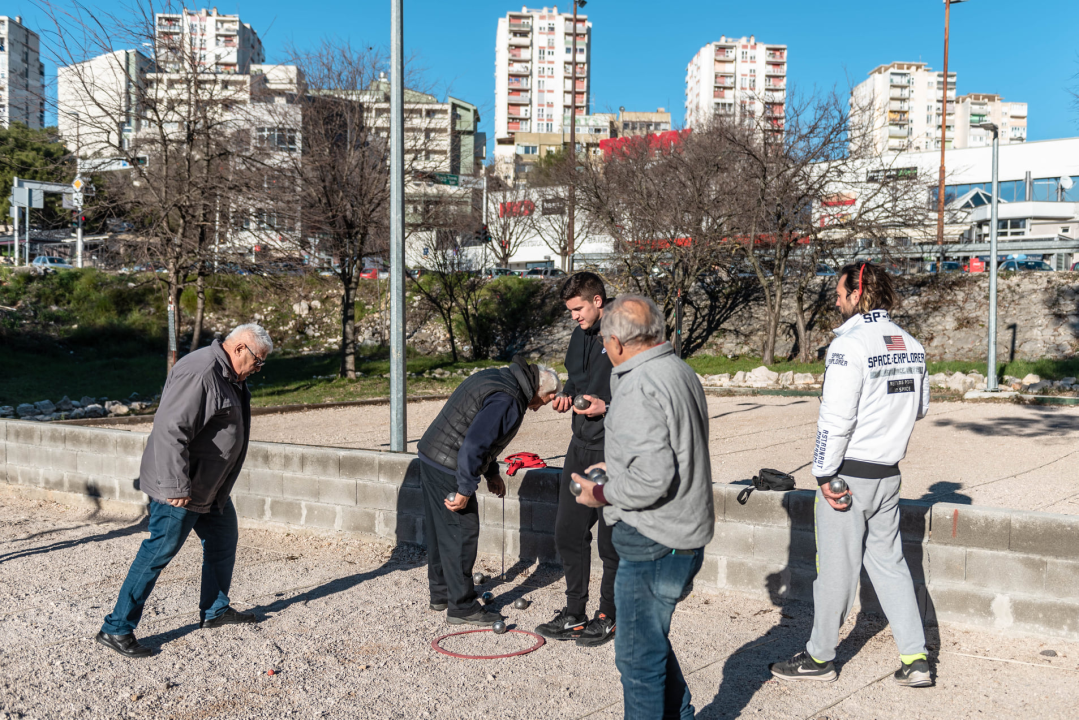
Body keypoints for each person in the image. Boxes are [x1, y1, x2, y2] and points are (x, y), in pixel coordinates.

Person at [769, 261, 932, 687]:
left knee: (836, 573)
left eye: (840, 293)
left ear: (858, 295)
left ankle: (819, 659)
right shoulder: (911, 344)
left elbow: (834, 420)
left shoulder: (849, 345)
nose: (836, 300)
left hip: (849, 476)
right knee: (891, 564)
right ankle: (916, 659)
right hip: (888, 474)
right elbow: (920, 408)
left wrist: (823, 475)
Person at [574, 295, 714, 720]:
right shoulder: (678, 369)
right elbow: (664, 441)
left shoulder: (636, 385)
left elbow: (654, 478)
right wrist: (616, 464)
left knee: (637, 660)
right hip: (684, 534)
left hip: (653, 541)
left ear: (616, 342)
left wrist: (598, 494)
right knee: (647, 638)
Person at [96, 324, 272, 658]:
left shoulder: (229, 375)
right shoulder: (201, 371)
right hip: (183, 487)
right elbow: (169, 430)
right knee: (157, 553)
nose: (258, 369)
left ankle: (215, 610)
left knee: (223, 541)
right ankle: (116, 628)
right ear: (239, 350)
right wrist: (176, 484)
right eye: (258, 361)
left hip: (211, 486)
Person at [417, 356, 561, 626]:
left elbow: (482, 434)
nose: (540, 408)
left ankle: (442, 594)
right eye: (547, 401)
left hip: (432, 455)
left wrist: (492, 473)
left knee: (441, 530)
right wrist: (465, 488)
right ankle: (461, 606)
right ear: (545, 392)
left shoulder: (500, 378)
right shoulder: (509, 399)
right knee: (462, 533)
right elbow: (473, 445)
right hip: (450, 464)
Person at [535, 272, 619, 647]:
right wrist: (567, 395)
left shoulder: (625, 332)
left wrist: (609, 406)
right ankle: (574, 613)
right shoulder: (578, 335)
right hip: (580, 445)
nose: (573, 316)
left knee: (611, 539)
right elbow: (576, 378)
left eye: (578, 309)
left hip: (614, 448)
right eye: (570, 311)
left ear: (597, 301)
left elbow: (648, 391)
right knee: (567, 531)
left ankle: (609, 615)